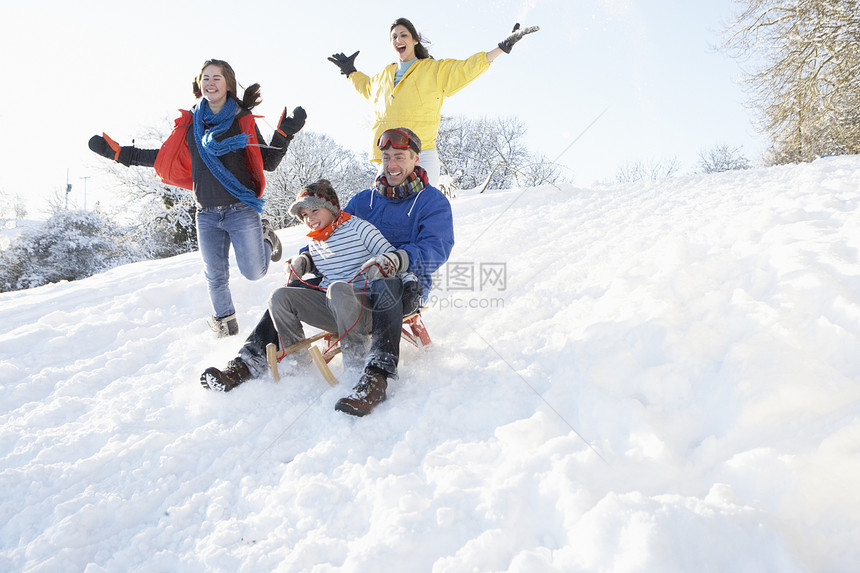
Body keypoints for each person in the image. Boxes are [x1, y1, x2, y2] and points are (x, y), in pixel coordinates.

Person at [201, 128, 454, 418]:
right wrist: (306, 260)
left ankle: (376, 374)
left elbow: (437, 248)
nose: (392, 164)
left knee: (387, 283)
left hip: (403, 286)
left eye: (399, 156)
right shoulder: (364, 201)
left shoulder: (432, 202)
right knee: (291, 291)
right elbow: (331, 233)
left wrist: (398, 260)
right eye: (386, 157)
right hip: (350, 287)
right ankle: (248, 360)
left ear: (415, 158)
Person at [88, 58, 306, 337]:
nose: (210, 83)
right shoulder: (191, 123)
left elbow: (268, 160)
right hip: (206, 213)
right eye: (205, 78)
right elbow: (162, 157)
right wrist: (119, 155)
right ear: (198, 83)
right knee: (215, 275)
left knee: (254, 272)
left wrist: (284, 134)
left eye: (216, 78)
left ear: (228, 83)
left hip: (241, 209)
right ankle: (225, 324)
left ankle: (265, 236)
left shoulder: (242, 119)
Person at [328, 18, 538, 187]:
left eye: (403, 35)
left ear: (414, 40)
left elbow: (466, 68)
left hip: (421, 153)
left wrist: (501, 48)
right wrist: (350, 72)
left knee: (421, 211)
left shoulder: (433, 70)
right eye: (394, 37)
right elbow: (366, 87)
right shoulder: (384, 75)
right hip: (389, 155)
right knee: (385, 213)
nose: (398, 39)